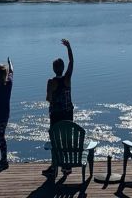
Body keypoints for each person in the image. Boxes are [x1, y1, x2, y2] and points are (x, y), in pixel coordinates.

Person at [46, 39, 74, 174]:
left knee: (55, 140)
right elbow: (71, 62)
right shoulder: (67, 78)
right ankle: (67, 166)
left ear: (53, 69)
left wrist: (51, 97)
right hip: (68, 114)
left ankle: (54, 167)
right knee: (67, 140)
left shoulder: (51, 82)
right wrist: (69, 47)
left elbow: (48, 98)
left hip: (55, 115)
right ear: (62, 69)